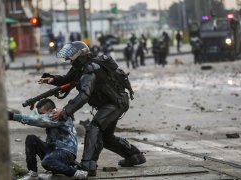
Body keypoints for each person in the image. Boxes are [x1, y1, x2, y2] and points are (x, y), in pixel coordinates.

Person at [38, 41, 146, 176]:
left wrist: (65, 111)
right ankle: (135, 156)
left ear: (80, 54)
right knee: (106, 137)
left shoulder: (90, 70)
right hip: (112, 102)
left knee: (94, 128)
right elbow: (67, 79)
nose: (68, 59)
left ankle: (88, 165)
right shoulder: (82, 67)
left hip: (115, 103)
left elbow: (83, 96)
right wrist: (52, 80)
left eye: (70, 56)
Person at [8, 98, 88, 180]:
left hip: (65, 151)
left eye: (42, 113)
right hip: (53, 150)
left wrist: (13, 116)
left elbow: (37, 119)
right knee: (31, 139)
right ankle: (32, 173)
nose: (40, 115)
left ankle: (76, 173)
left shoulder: (59, 115)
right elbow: (34, 116)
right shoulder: (51, 115)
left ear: (50, 111)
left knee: (47, 162)